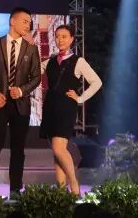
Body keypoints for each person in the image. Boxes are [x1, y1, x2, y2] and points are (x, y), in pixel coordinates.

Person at [0, 7, 42, 196]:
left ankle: (15, 188)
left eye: (30, 22)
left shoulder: (31, 49)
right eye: (25, 21)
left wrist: (22, 90)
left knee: (18, 148)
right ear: (12, 21)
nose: (28, 25)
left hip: (21, 105)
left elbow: (36, 77)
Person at [39, 25, 102, 194]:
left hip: (66, 108)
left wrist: (80, 98)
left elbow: (97, 82)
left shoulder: (78, 61)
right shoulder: (50, 61)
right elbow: (32, 71)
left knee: (59, 148)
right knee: (56, 152)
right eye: (57, 36)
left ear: (72, 39)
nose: (60, 40)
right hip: (50, 108)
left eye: (64, 36)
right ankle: (61, 193)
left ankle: (74, 185)